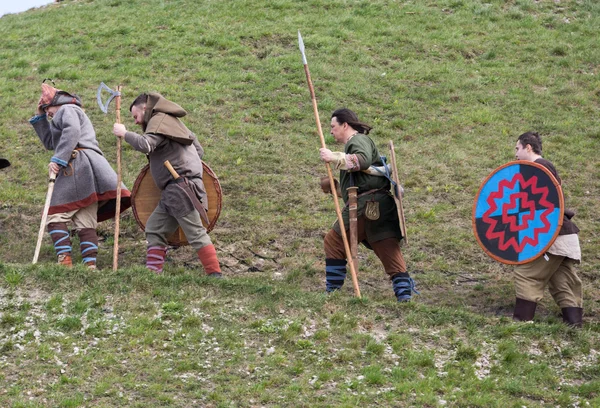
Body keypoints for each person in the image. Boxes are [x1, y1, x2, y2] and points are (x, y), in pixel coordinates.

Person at [112, 92, 222, 277]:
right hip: (177, 189)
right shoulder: (173, 122)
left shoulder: (159, 121)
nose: (137, 122)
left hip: (180, 189)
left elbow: (146, 145)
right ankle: (153, 275)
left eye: (136, 116)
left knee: (195, 232)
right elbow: (199, 151)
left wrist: (124, 133)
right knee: (154, 228)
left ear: (145, 109)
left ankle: (215, 275)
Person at [318, 108, 418, 301]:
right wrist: (336, 189)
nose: (331, 131)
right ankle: (405, 297)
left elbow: (362, 162)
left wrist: (334, 157)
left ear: (345, 125)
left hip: (364, 205)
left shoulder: (358, 140)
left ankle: (332, 292)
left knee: (334, 241)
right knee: (387, 248)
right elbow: (360, 185)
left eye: (333, 126)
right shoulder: (357, 143)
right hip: (380, 205)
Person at [29, 82, 131, 269]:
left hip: (77, 164)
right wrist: (40, 116)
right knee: (85, 218)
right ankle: (89, 266)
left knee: (55, 215)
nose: (48, 113)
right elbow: (51, 142)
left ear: (57, 102)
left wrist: (59, 159)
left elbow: (72, 132)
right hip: (89, 169)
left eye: (47, 108)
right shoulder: (66, 112)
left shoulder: (67, 109)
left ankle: (65, 262)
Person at [513, 131, 583, 327]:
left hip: (553, 234)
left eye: (518, 148)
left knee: (526, 273)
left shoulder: (541, 167)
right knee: (561, 278)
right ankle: (574, 324)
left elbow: (543, 207)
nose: (515, 154)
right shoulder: (540, 169)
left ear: (528, 147)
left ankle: (521, 322)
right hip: (563, 234)